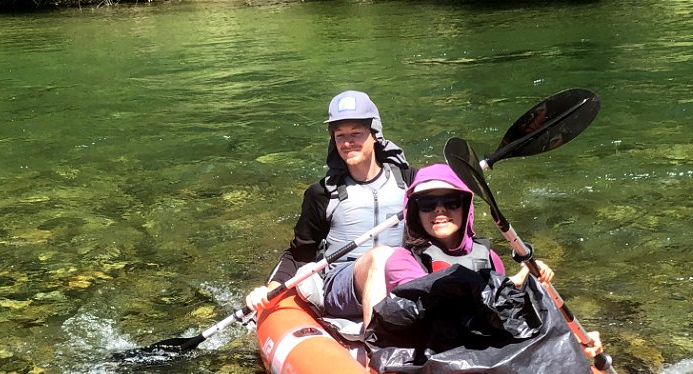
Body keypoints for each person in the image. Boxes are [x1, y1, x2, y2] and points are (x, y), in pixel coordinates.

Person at [373, 163, 603, 357]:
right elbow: (440, 310)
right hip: (435, 358)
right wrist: (516, 284)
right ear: (416, 212)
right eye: (427, 204)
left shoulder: (489, 257)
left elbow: (501, 319)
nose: (439, 211)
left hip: (481, 356)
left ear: (465, 207)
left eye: (451, 202)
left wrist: (566, 338)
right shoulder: (402, 261)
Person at [245, 90, 414, 326]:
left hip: (403, 278)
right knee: (380, 257)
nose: (347, 143)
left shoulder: (410, 180)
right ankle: (379, 345)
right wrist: (269, 290)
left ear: (375, 134)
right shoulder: (322, 194)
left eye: (356, 133)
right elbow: (299, 254)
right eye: (340, 135)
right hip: (342, 288)